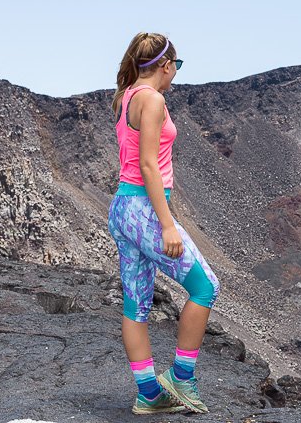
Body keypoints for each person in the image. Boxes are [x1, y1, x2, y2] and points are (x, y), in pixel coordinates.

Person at [110, 32, 219, 414]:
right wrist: (167, 224)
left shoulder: (127, 96)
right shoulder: (153, 100)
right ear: (166, 65)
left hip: (122, 209)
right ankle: (181, 377)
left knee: (136, 305)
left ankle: (148, 394)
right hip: (144, 211)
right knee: (205, 287)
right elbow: (148, 165)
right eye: (177, 66)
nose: (176, 75)